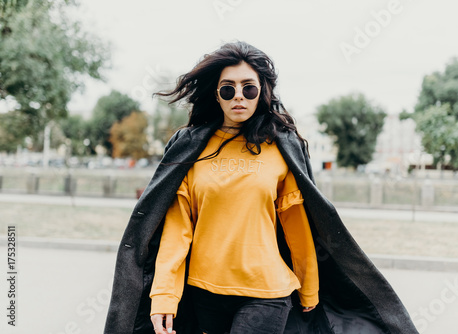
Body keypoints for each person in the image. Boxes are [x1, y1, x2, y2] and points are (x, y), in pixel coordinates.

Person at [103, 41, 418, 334]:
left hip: (267, 292)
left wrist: (309, 286)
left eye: (248, 88)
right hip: (204, 293)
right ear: (216, 95)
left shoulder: (280, 148)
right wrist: (164, 294)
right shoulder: (192, 149)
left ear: (261, 92)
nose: (238, 96)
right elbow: (177, 228)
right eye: (228, 89)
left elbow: (297, 224)